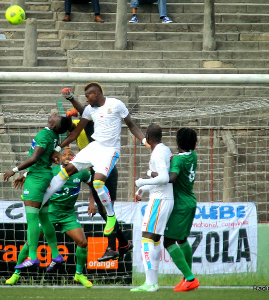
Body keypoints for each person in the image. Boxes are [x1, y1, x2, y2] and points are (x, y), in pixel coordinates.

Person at [42, 82, 148, 262]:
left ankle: (113, 234)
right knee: (66, 171)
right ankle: (41, 200)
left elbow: (131, 124)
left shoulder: (116, 104)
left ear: (96, 94)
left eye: (87, 96)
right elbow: (75, 132)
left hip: (109, 152)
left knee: (99, 187)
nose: (86, 100)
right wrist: (58, 149)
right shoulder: (89, 111)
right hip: (94, 148)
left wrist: (144, 140)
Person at [6, 148, 94, 288]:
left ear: (74, 158)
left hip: (68, 214)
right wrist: (24, 175)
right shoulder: (53, 171)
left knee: (83, 242)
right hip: (50, 213)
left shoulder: (82, 172)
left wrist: (92, 202)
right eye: (63, 154)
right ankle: (16, 274)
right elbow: (37, 175)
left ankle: (79, 274)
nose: (66, 156)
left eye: (70, 154)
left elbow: (93, 184)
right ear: (59, 157)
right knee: (30, 242)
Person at [65, 92, 133, 261]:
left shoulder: (91, 124)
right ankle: (123, 243)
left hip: (106, 168)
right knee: (105, 213)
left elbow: (84, 109)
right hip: (96, 169)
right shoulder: (80, 137)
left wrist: (72, 99)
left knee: (107, 210)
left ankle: (113, 247)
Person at [3, 113, 72, 270]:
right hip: (43, 176)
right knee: (44, 217)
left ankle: (33, 257)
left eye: (56, 116)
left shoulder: (44, 135)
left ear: (54, 125)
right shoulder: (53, 135)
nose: (53, 114)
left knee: (32, 219)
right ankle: (55, 254)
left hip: (36, 180)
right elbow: (43, 158)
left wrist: (13, 170)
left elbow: (34, 158)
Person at [131, 124, 174, 292]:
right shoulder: (164, 150)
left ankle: (150, 282)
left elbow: (163, 178)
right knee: (154, 240)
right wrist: (143, 188)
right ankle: (152, 282)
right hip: (161, 198)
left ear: (148, 137)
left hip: (160, 200)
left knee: (147, 239)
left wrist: (142, 182)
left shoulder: (157, 153)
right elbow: (161, 177)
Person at [161, 128, 200, 292]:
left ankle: (190, 278)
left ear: (178, 142)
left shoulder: (178, 160)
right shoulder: (193, 156)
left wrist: (154, 174)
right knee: (182, 239)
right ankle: (186, 278)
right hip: (190, 201)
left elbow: (172, 178)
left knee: (168, 241)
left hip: (181, 206)